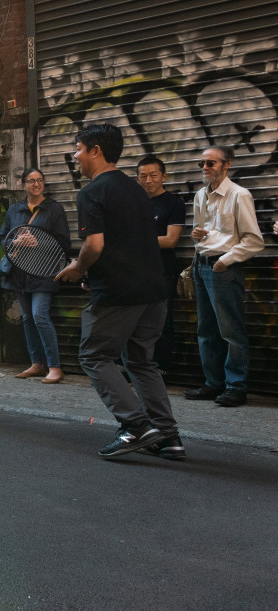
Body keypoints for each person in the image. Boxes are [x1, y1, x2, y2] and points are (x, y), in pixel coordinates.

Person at [56, 123, 181, 460]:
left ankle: (136, 427)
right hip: (154, 289)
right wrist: (91, 270)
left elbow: (94, 244)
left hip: (118, 292)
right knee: (142, 362)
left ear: (96, 150)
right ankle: (168, 437)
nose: (75, 155)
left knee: (94, 356)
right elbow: (126, 242)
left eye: (79, 148)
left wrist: (79, 267)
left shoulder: (93, 191)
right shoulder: (136, 189)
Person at [184, 145, 264, 407]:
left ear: (226, 165)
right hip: (201, 265)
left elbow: (254, 241)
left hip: (224, 269)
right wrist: (197, 238)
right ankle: (213, 383)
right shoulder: (200, 196)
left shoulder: (240, 195)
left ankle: (235, 387)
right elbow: (201, 231)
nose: (205, 168)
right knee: (206, 329)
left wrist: (224, 260)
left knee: (231, 330)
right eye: (202, 164)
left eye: (211, 163)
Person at [0, 168, 69, 384]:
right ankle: (37, 364)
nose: (36, 184)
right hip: (19, 273)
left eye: (39, 181)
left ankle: (55, 367)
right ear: (23, 184)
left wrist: (39, 242)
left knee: (40, 316)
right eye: (31, 181)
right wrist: (14, 243)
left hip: (44, 272)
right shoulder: (15, 210)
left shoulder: (54, 209)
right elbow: (3, 238)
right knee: (28, 319)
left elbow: (64, 243)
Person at [135, 155, 185, 372]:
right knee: (135, 321)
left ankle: (161, 368)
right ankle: (136, 367)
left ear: (163, 176)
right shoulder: (132, 203)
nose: (148, 180)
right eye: (143, 176)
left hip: (163, 270)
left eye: (153, 175)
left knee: (163, 322)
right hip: (134, 270)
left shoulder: (173, 203)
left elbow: (171, 240)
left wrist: (133, 242)